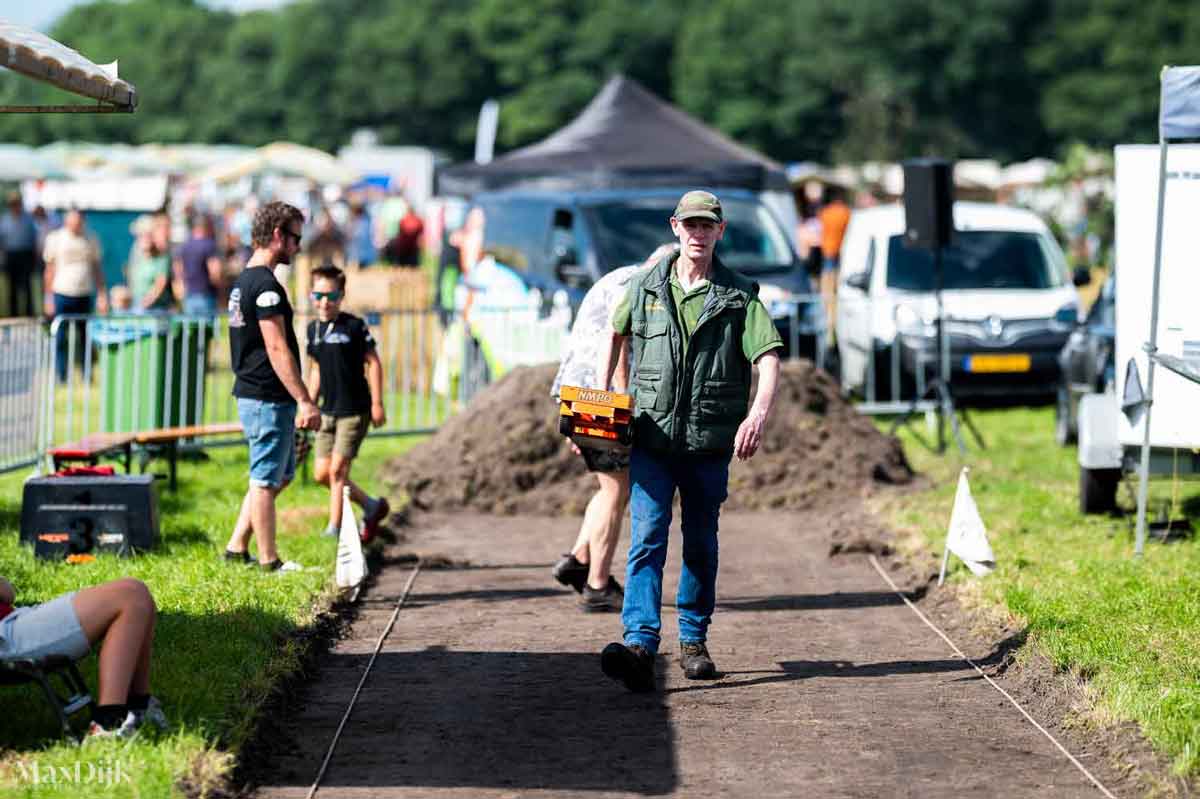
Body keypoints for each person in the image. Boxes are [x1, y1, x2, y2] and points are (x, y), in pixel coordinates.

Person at [596, 190, 782, 692]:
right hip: (652, 438)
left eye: (708, 226)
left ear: (720, 232)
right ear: (674, 227)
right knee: (647, 538)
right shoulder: (644, 286)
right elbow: (615, 336)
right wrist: (610, 396)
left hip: (708, 442)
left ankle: (694, 641)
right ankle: (639, 641)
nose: (698, 234)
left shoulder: (740, 294)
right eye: (691, 225)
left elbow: (767, 357)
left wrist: (757, 414)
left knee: (700, 543)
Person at [550, 244, 677, 612]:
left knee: (609, 482)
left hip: (579, 390)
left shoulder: (621, 275)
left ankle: (579, 559)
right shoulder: (640, 285)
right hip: (597, 394)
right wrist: (619, 402)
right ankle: (597, 584)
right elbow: (618, 342)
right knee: (617, 487)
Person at [223, 201, 321, 572]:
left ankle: (236, 546)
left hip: (258, 394)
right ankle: (269, 561)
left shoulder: (244, 282)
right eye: (296, 237)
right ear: (278, 235)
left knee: (280, 474)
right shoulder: (265, 287)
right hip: (266, 395)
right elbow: (277, 347)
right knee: (265, 480)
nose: (299, 246)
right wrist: (305, 400)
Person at [0, 575, 167, 739]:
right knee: (130, 595)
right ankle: (108, 722)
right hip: (6, 639)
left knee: (139, 594)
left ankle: (139, 706)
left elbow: (8, 593)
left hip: (14, 620)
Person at [304, 264, 391, 542]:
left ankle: (335, 528)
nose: (324, 302)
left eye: (330, 296)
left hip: (354, 410)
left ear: (341, 296)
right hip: (327, 411)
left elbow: (373, 363)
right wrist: (308, 403)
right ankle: (371, 505)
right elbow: (316, 369)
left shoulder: (354, 326)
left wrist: (377, 403)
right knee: (321, 474)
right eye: (318, 295)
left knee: (338, 470)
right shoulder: (312, 330)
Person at [43, 209, 106, 383]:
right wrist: (48, 298)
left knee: (85, 336)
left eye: (78, 222)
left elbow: (97, 268)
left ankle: (87, 374)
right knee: (61, 336)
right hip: (61, 292)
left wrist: (101, 293)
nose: (75, 225)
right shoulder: (55, 239)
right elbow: (49, 270)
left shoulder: (90, 238)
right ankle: (61, 375)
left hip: (84, 293)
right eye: (72, 222)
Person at [174, 213, 224, 316]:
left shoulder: (185, 245)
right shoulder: (209, 245)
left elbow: (177, 268)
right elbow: (215, 272)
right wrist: (221, 290)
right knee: (206, 330)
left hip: (188, 295)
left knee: (191, 329)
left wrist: (181, 285)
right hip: (206, 295)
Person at [818, 186, 852, 334]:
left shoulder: (825, 213)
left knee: (828, 288)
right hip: (841, 251)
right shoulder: (846, 212)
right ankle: (834, 317)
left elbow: (820, 231)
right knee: (838, 286)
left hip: (827, 251)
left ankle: (829, 315)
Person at [0, 192, 39, 317]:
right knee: (11, 288)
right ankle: (13, 314)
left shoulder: (28, 219)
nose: (15, 206)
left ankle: (29, 313)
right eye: (12, 204)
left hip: (25, 255)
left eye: (17, 203)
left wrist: (34, 257)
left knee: (26, 286)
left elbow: (34, 238)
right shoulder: (5, 219)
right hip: (10, 256)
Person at [128, 214, 174, 312]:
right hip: (138, 302)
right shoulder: (137, 253)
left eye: (146, 235)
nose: (142, 238)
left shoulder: (162, 257)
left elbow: (161, 283)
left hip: (156, 307)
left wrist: (146, 301)